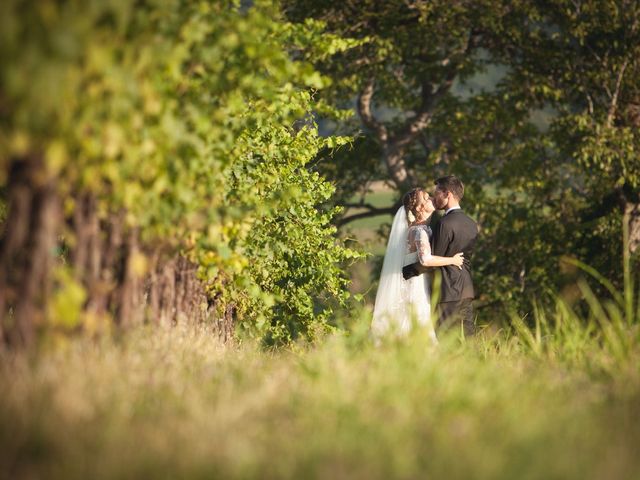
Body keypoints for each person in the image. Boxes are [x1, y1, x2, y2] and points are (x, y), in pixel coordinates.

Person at [371, 188, 464, 342]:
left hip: (420, 284)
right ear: (420, 208)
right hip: (415, 289)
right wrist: (452, 260)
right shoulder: (418, 231)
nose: (433, 198)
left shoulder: (422, 229)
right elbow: (425, 260)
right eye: (427, 198)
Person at [403, 176, 478, 336]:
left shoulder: (444, 224)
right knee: (469, 339)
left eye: (437, 192)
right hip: (466, 289)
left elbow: (432, 259)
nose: (434, 197)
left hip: (446, 290)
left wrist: (405, 272)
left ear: (447, 194)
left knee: (447, 340)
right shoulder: (471, 223)